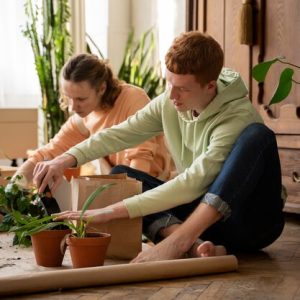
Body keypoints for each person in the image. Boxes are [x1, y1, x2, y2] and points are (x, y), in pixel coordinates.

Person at [32, 31, 285, 262]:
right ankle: (197, 246)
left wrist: (110, 212)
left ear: (210, 85)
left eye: (183, 89)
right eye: (169, 83)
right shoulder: (170, 101)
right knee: (123, 176)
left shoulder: (236, 115)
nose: (172, 96)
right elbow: (121, 133)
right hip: (203, 224)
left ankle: (179, 241)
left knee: (258, 135)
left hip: (249, 224)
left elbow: (193, 183)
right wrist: (65, 159)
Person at [16, 53, 173, 185]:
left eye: (81, 99)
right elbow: (47, 153)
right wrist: (13, 187)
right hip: (119, 186)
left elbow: (140, 162)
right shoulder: (83, 117)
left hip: (151, 185)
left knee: (118, 173)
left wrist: (118, 207)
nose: (72, 107)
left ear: (102, 88)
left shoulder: (133, 99)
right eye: (68, 98)